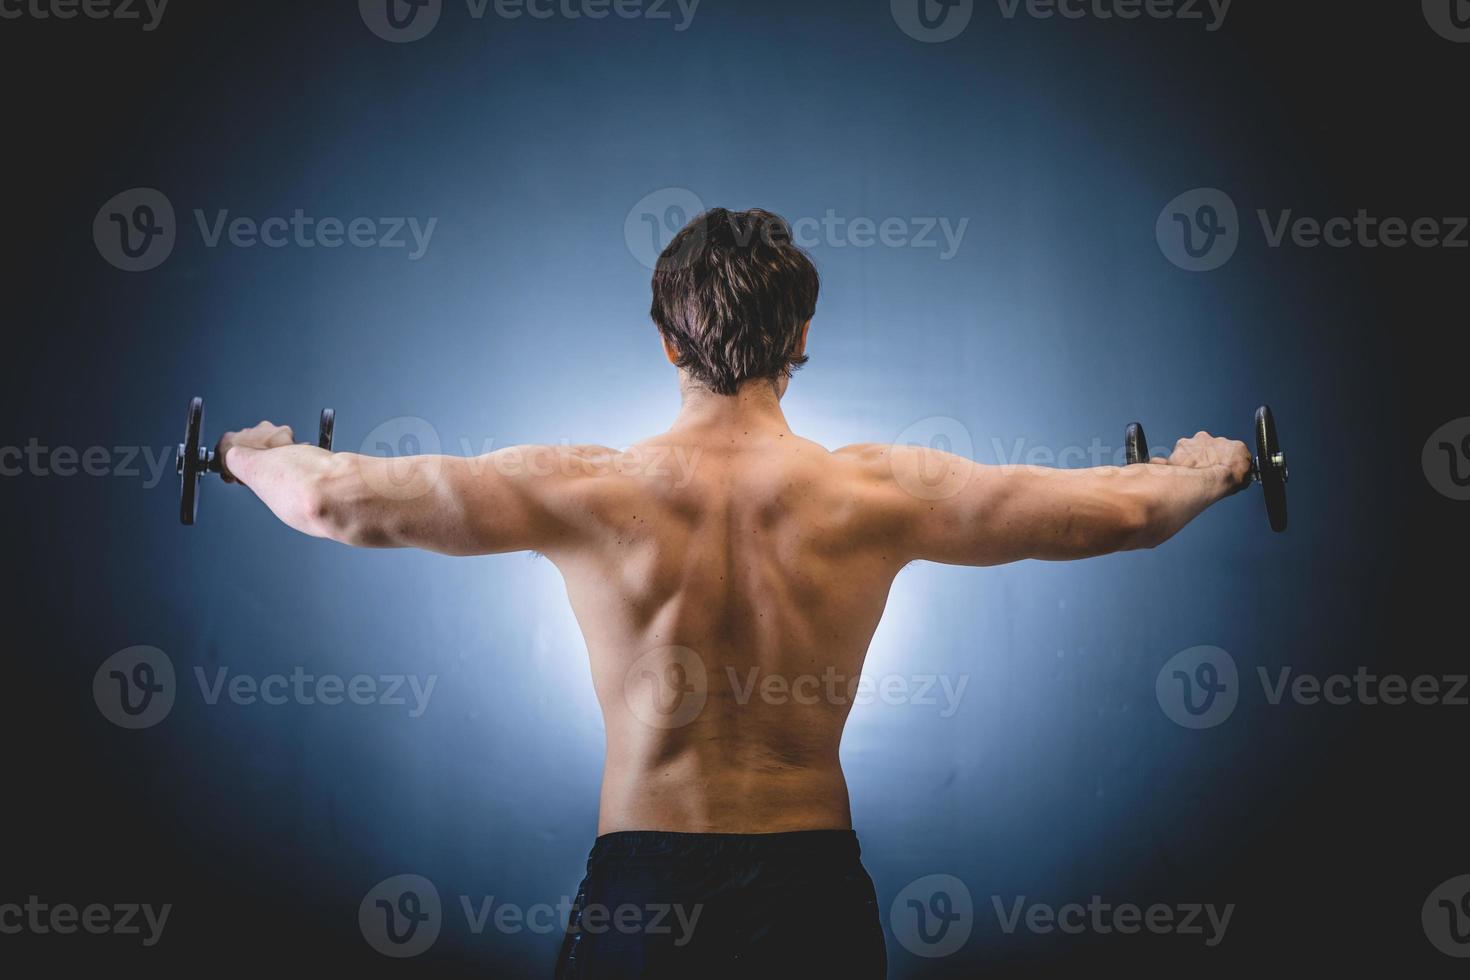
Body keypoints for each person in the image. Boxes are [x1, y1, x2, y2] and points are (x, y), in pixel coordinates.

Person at [216, 208, 1254, 978]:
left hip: (641, 888)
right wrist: (1207, 468)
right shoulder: (878, 490)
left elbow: (335, 499)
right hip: (809, 888)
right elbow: (1109, 509)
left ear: (667, 340)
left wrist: (249, 452)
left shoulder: (586, 488)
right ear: (801, 338)